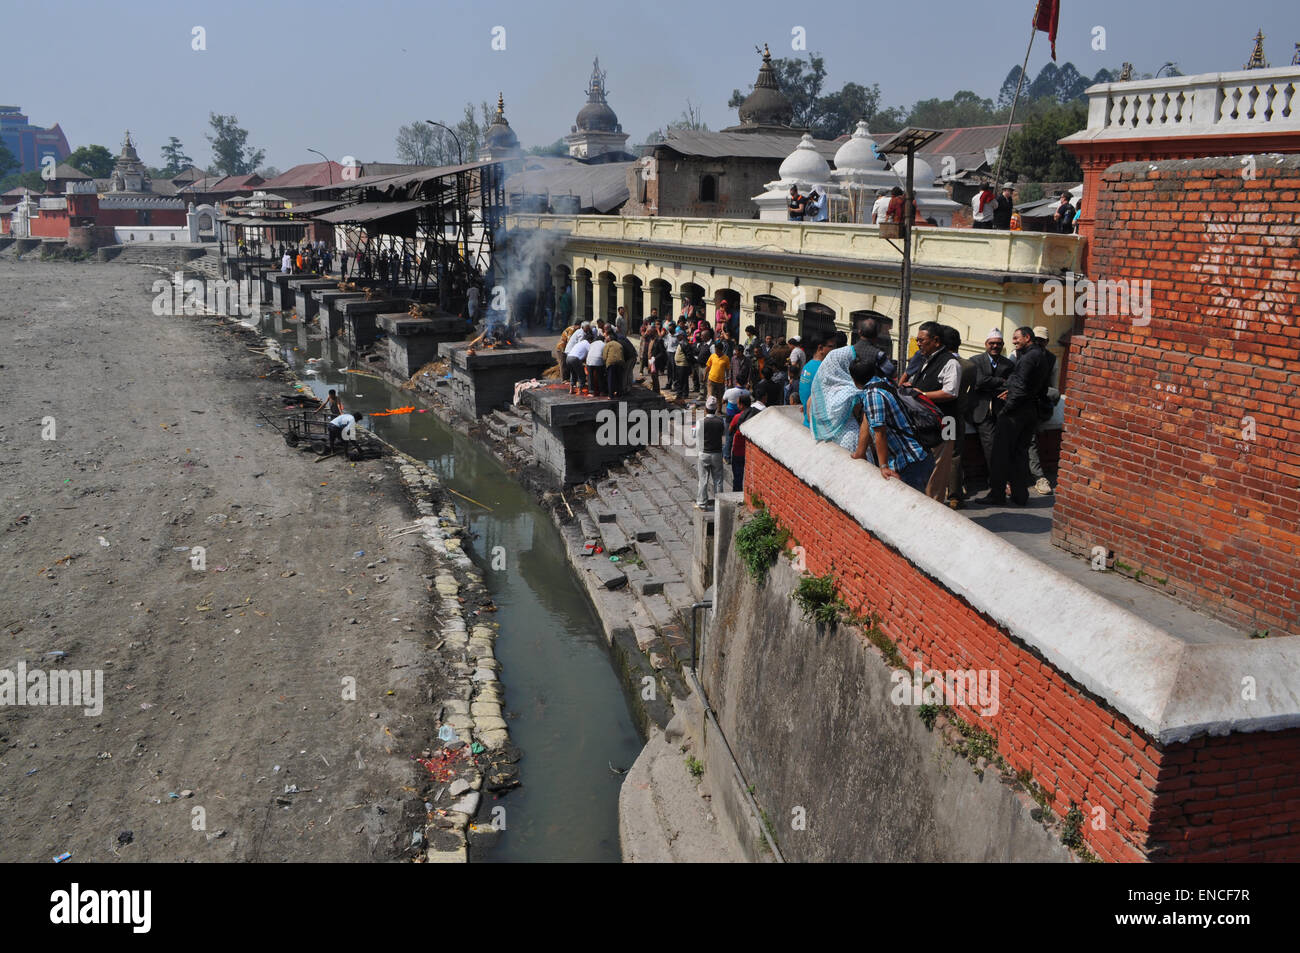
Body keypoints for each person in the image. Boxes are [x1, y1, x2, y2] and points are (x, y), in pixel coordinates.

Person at [977, 327, 1052, 506]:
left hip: (1015, 412)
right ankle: (1020, 495)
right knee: (1020, 454)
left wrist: (1007, 407)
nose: (1014, 341)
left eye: (1017, 338)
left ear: (1027, 337)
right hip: (1030, 410)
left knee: (1000, 455)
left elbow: (1019, 385)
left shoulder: (1028, 358)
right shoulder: (1042, 356)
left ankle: (997, 495)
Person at [851, 360, 934, 491]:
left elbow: (880, 432)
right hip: (918, 456)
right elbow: (867, 421)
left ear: (854, 380)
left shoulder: (873, 394)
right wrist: (860, 452)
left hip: (911, 461)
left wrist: (883, 467)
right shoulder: (883, 382)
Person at [909, 321, 961, 502]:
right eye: (918, 340)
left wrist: (921, 394)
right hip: (926, 422)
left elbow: (950, 392)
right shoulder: (926, 359)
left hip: (946, 422)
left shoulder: (951, 363)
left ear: (936, 341)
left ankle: (934, 507)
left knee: (938, 470)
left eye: (922, 340)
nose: (919, 343)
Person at [968, 328, 1013, 492]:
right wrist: (1001, 381)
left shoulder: (1008, 363)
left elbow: (1012, 383)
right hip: (981, 410)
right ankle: (997, 482)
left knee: (1003, 446)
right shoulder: (975, 360)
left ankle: (1000, 479)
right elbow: (979, 382)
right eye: (992, 343)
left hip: (1001, 410)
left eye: (998, 344)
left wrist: (997, 384)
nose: (995, 346)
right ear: (986, 344)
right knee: (991, 446)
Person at [941, 325, 977, 508]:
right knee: (954, 455)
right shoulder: (969, 366)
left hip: (939, 414)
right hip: (957, 415)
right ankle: (955, 495)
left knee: (937, 453)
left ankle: (937, 491)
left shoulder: (940, 364)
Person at [806, 345, 865, 452]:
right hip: (850, 440)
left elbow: (809, 408)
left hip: (826, 444)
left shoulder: (819, 391)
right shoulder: (852, 392)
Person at [696, 397, 726, 509]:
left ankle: (702, 502)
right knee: (718, 480)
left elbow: (696, 435)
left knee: (703, 479)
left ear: (706, 409)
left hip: (704, 453)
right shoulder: (721, 421)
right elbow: (724, 433)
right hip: (717, 453)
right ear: (716, 408)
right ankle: (719, 504)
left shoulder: (700, 422)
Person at [726, 393, 759, 491]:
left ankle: (737, 492)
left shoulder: (737, 417)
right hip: (749, 451)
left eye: (738, 404)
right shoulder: (755, 415)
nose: (737, 405)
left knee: (737, 476)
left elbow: (730, 430)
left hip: (738, 450)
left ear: (742, 405)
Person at [798, 338, 833, 425]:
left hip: (808, 422)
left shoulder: (807, 366)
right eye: (831, 346)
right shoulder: (824, 369)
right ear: (820, 348)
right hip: (819, 427)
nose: (834, 350)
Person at [565, 325, 592, 393]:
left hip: (568, 358)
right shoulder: (588, 345)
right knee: (581, 374)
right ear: (590, 340)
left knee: (573, 373)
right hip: (575, 359)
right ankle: (580, 390)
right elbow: (590, 356)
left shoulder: (580, 343)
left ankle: (571, 389)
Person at [585, 328, 607, 396]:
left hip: (589, 360)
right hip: (598, 361)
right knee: (600, 376)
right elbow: (605, 355)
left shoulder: (592, 343)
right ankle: (602, 392)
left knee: (590, 377)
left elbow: (589, 352)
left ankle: (591, 392)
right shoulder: (604, 344)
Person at [674, 331, 693, 400]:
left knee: (681, 380)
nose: (676, 337)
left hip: (683, 365)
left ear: (681, 335)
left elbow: (688, 355)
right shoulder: (681, 343)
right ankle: (683, 393)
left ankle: (681, 394)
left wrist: (688, 364)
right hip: (679, 364)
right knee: (682, 379)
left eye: (678, 336)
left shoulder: (684, 343)